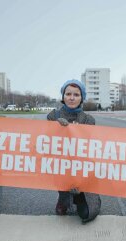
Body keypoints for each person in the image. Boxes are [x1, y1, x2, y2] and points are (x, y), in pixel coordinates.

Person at [47, 79, 101, 223]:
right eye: (68, 94)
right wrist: (56, 127)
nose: (71, 98)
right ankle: (63, 197)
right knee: (61, 210)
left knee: (87, 214)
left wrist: (80, 181)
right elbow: (46, 141)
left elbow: (89, 149)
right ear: (63, 96)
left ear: (81, 98)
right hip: (62, 166)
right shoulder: (53, 116)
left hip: (81, 168)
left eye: (76, 95)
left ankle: (90, 197)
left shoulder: (88, 119)